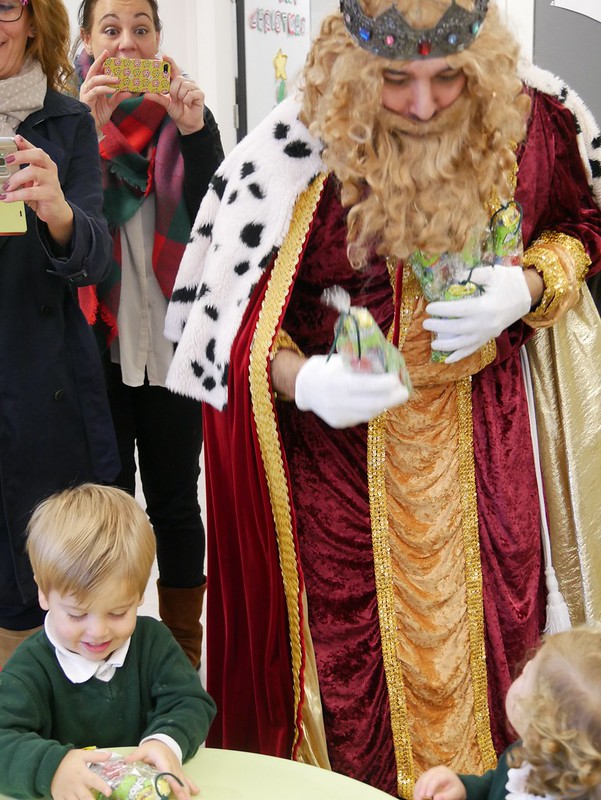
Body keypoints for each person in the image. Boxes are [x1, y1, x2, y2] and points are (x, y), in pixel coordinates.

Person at [164, 0, 601, 795]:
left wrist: (529, 285)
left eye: (448, 79)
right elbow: (225, 324)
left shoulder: (535, 119)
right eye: (397, 80)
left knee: (500, 678)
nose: (426, 103)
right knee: (352, 709)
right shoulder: (294, 152)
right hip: (339, 487)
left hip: (488, 460)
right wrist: (304, 379)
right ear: (355, 65)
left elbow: (578, 223)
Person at [74, 0, 225, 668]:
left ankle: (183, 657)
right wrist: (88, 131)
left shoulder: (187, 115)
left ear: (159, 37)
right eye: (111, 30)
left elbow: (222, 214)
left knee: (174, 501)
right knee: (110, 503)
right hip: (98, 344)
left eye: (141, 28)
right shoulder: (69, 119)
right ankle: (113, 654)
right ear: (86, 41)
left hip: (172, 342)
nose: (128, 42)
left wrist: (195, 133)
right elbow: (62, 229)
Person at [0, 0, 119, 666]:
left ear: (34, 19)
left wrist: (59, 214)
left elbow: (95, 258)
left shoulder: (66, 121)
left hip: (50, 391)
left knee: (66, 580)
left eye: (6, 6)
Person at [0, 483, 217, 800]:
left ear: (140, 596)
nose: (98, 632)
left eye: (117, 612)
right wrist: (53, 768)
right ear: (44, 594)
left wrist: (165, 741)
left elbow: (191, 702)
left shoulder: (153, 642)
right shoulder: (29, 670)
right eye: (76, 615)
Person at [413, 624, 601, 800]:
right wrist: (466, 788)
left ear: (538, 720)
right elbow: (499, 784)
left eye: (528, 674)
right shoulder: (522, 754)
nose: (524, 666)